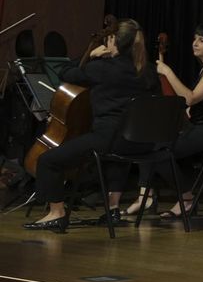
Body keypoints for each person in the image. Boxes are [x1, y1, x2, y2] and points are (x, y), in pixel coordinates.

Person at [24, 19, 159, 232]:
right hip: (142, 143)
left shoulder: (102, 68)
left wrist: (92, 55)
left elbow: (66, 72)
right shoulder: (148, 71)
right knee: (118, 156)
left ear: (113, 40)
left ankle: (56, 213)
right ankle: (112, 209)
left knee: (48, 160)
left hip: (109, 139)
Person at [119, 23, 203, 219]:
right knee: (154, 141)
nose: (195, 43)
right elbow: (199, 102)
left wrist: (168, 72)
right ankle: (151, 194)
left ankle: (184, 198)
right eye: (195, 39)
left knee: (161, 149)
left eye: (202, 40)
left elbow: (190, 97)